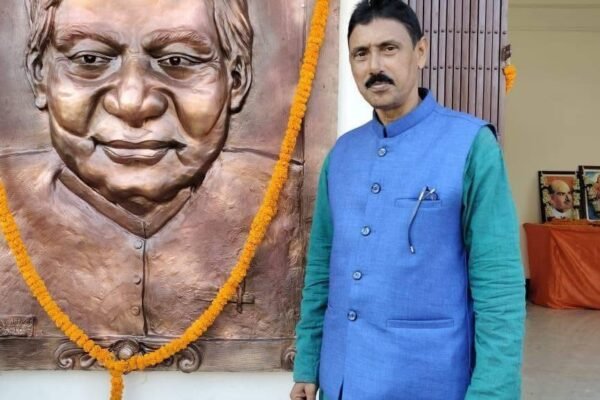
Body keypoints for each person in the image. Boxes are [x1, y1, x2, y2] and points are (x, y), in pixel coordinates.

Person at [0, 0, 302, 368]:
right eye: (89, 60)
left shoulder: (291, 205)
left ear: (236, 79)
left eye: (177, 61)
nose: (133, 103)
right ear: (38, 75)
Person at [291, 1, 525, 399]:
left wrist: (492, 392)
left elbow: (499, 287)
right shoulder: (342, 155)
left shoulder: (471, 146)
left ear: (420, 51)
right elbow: (321, 270)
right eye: (360, 53)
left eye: (389, 48)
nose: (374, 66)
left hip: (429, 381)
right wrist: (308, 365)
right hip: (341, 381)